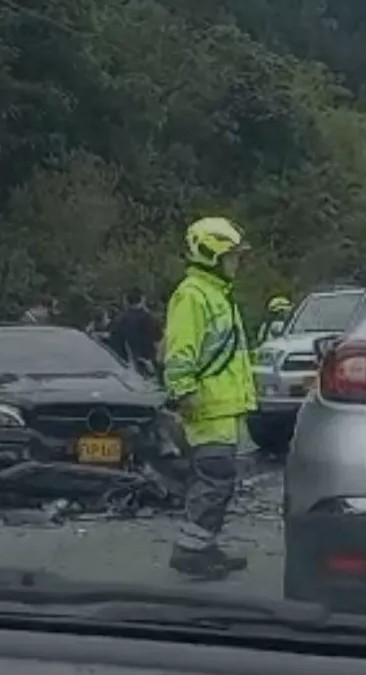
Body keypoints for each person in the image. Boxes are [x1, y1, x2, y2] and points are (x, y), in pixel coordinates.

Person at [161, 216, 257, 579]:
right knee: (214, 479)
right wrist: (184, 392)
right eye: (232, 256)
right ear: (211, 256)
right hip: (206, 406)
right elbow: (181, 350)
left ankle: (204, 546)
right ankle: (190, 550)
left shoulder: (215, 293)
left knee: (218, 481)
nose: (237, 263)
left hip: (220, 406)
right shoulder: (193, 295)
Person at [107, 287, 161, 377]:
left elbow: (113, 347)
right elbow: (158, 343)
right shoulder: (150, 319)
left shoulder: (118, 321)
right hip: (148, 366)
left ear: (125, 301)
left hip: (123, 369)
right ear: (143, 299)